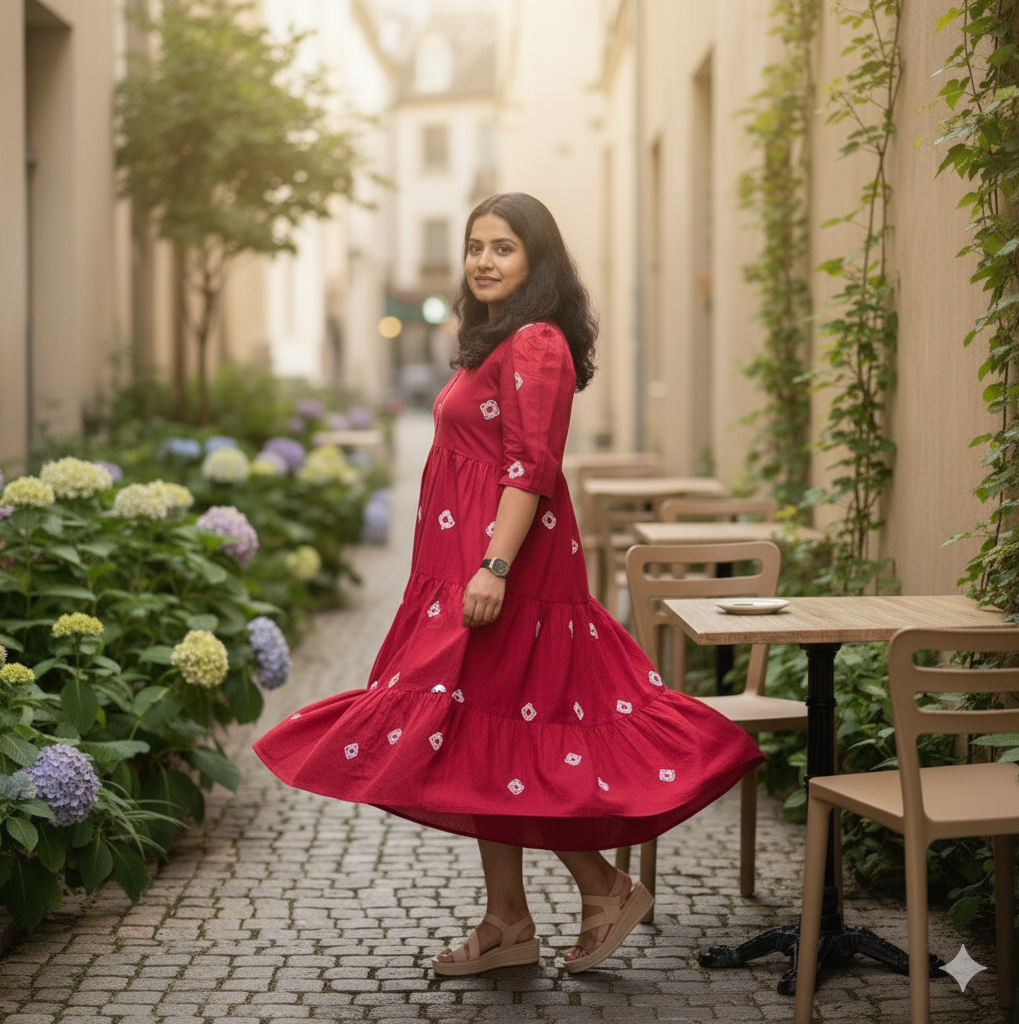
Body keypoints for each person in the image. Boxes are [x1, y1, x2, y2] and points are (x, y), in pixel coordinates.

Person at [253, 192, 763, 975]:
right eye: (475, 246)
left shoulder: (535, 344)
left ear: (537, 262)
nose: (484, 261)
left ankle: (596, 891)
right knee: (481, 738)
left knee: (496, 733)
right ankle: (509, 921)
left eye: (504, 248)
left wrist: (493, 567)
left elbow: (531, 467)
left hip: (506, 576)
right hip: (464, 572)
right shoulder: (494, 341)